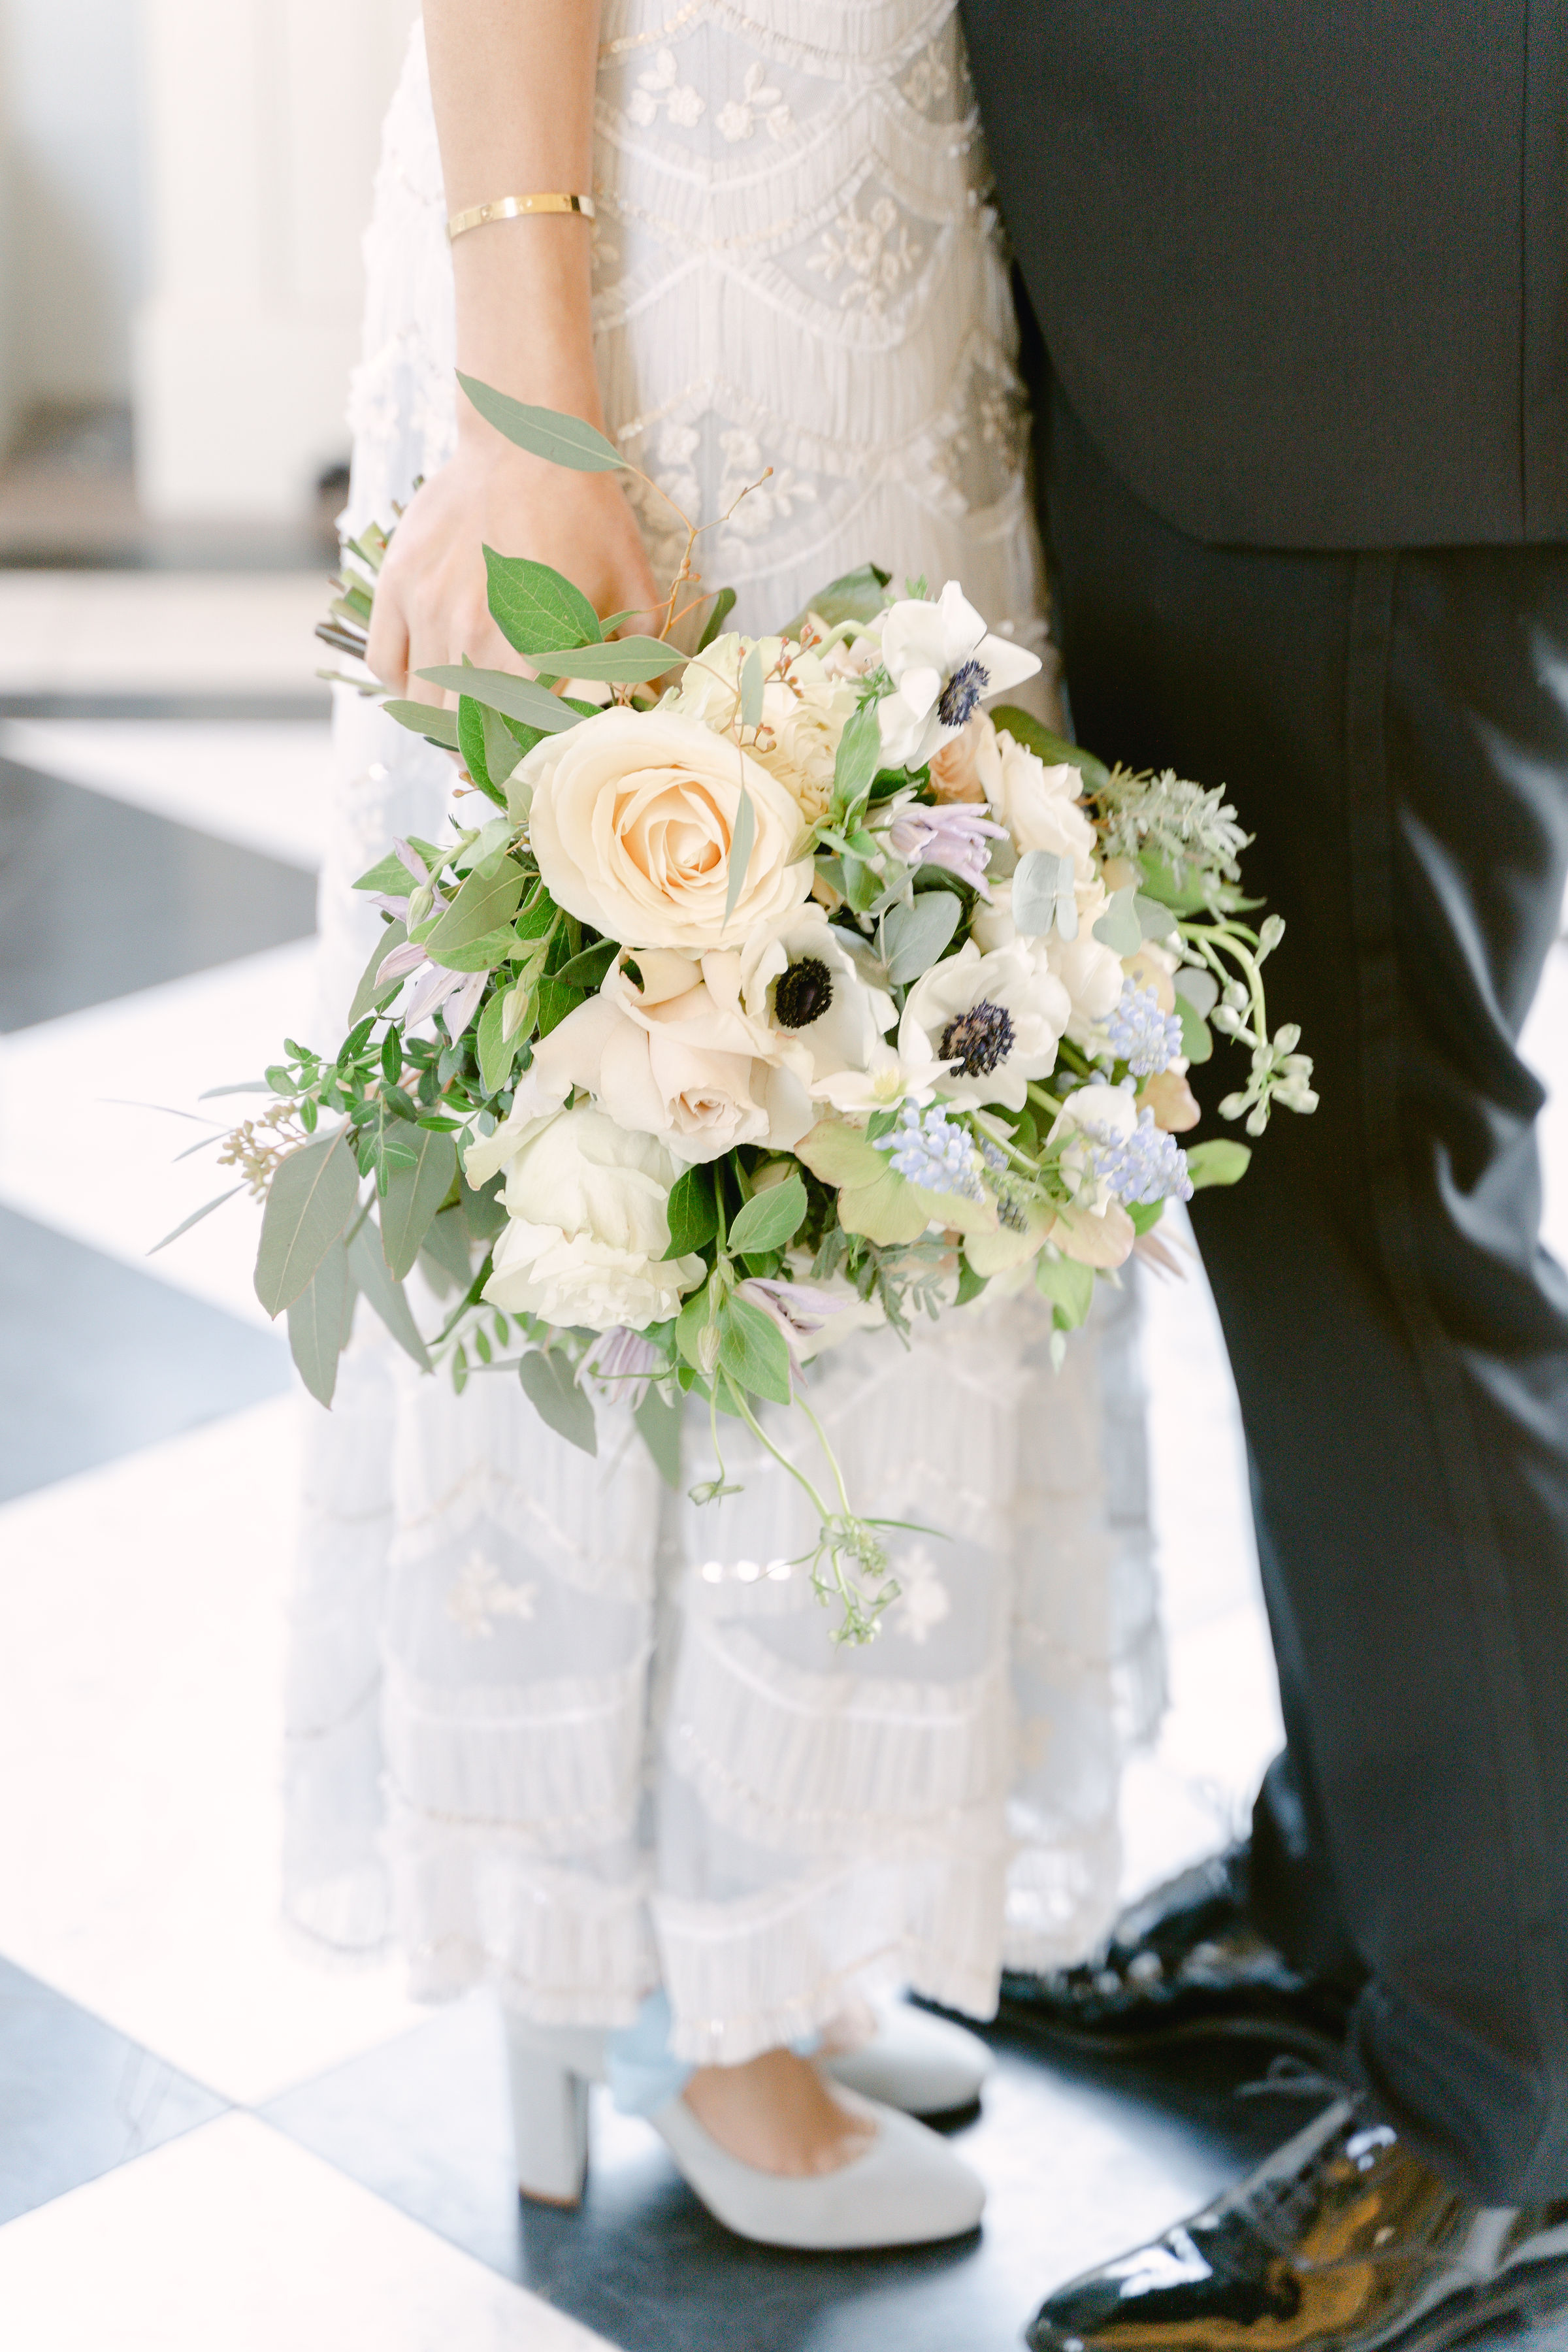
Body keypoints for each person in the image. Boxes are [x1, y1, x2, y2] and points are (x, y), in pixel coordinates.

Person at [284, 0, 1165, 2254]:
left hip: (878, 276)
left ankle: (755, 1914)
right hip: (663, 275)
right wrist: (535, 410)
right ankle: (685, 1990)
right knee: (668, 1069)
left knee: (857, 1078)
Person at [951, 4, 1568, 2344]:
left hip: (1361, 280)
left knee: (1382, 1185)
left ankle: (1507, 2096)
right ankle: (1362, 1874)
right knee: (1269, 1155)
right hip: (1212, 270)